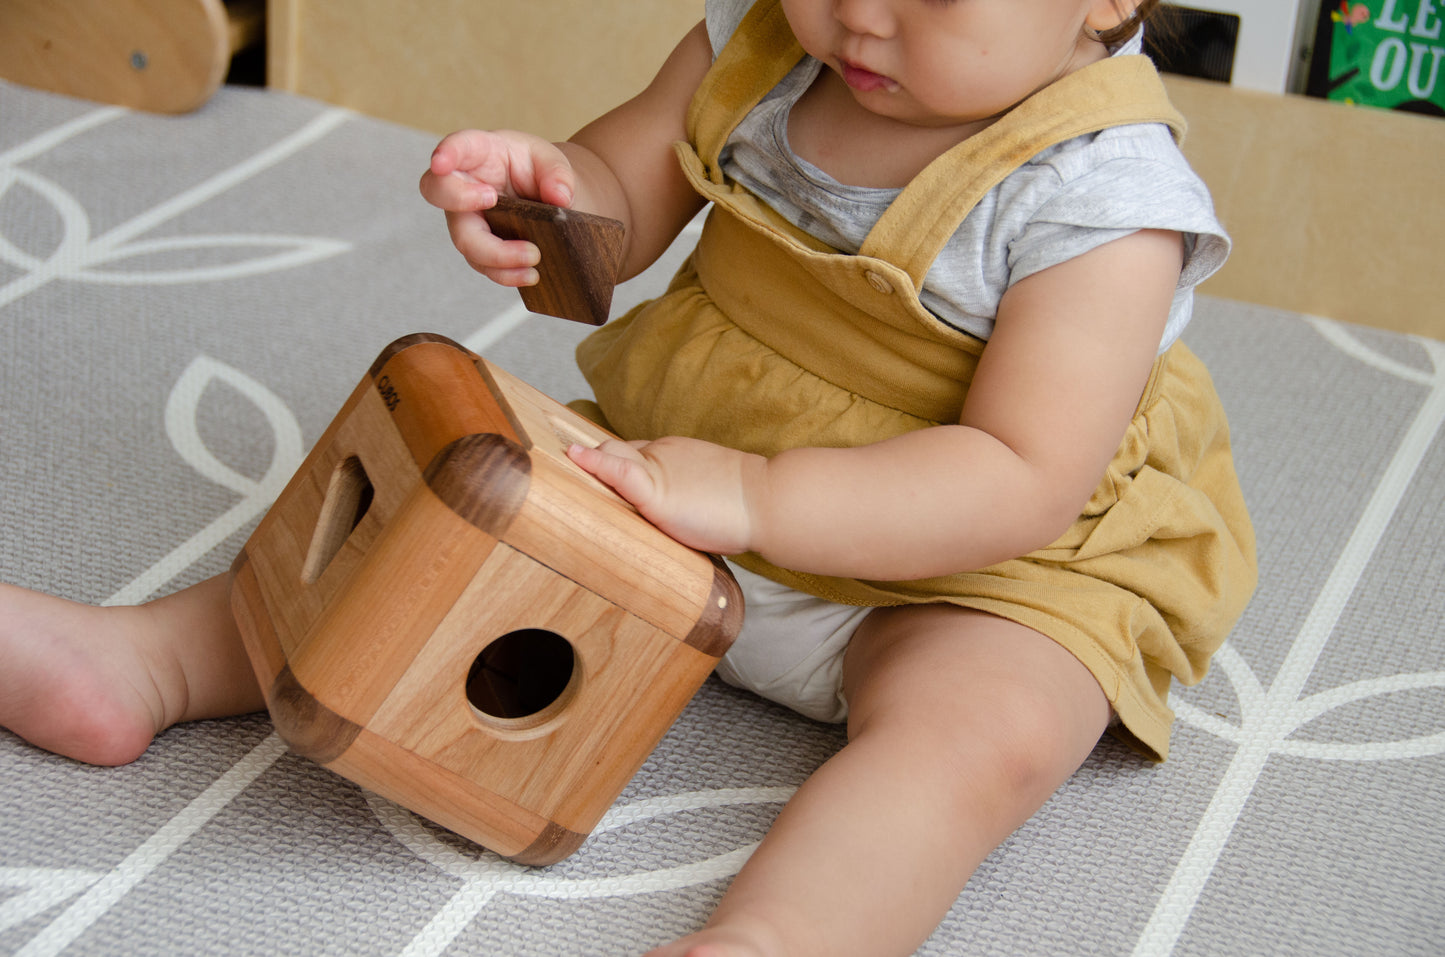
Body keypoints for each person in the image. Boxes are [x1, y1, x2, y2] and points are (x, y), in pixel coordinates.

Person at [1, 1, 1256, 955]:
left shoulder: (1102, 192)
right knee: (441, 518)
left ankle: (775, 936)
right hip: (678, 470)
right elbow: (615, 224)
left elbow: (1021, 475)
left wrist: (760, 499)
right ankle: (148, 662)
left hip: (972, 565)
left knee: (977, 735)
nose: (859, 15)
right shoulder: (761, 42)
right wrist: (543, 200)